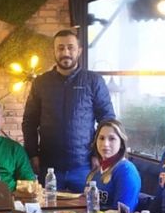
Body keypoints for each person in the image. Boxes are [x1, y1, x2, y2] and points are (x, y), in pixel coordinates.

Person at [23, 29, 115, 191]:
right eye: (60, 48)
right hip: (49, 167)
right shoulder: (40, 83)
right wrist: (32, 154)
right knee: (48, 206)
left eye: (70, 47)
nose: (65, 52)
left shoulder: (94, 81)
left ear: (79, 51)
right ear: (54, 52)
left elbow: (108, 120)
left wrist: (98, 154)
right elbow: (29, 122)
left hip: (85, 166)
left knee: (85, 207)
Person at [85, 119, 142, 210]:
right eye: (101, 138)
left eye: (112, 139)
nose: (105, 144)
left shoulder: (126, 170)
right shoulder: (96, 171)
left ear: (121, 144)